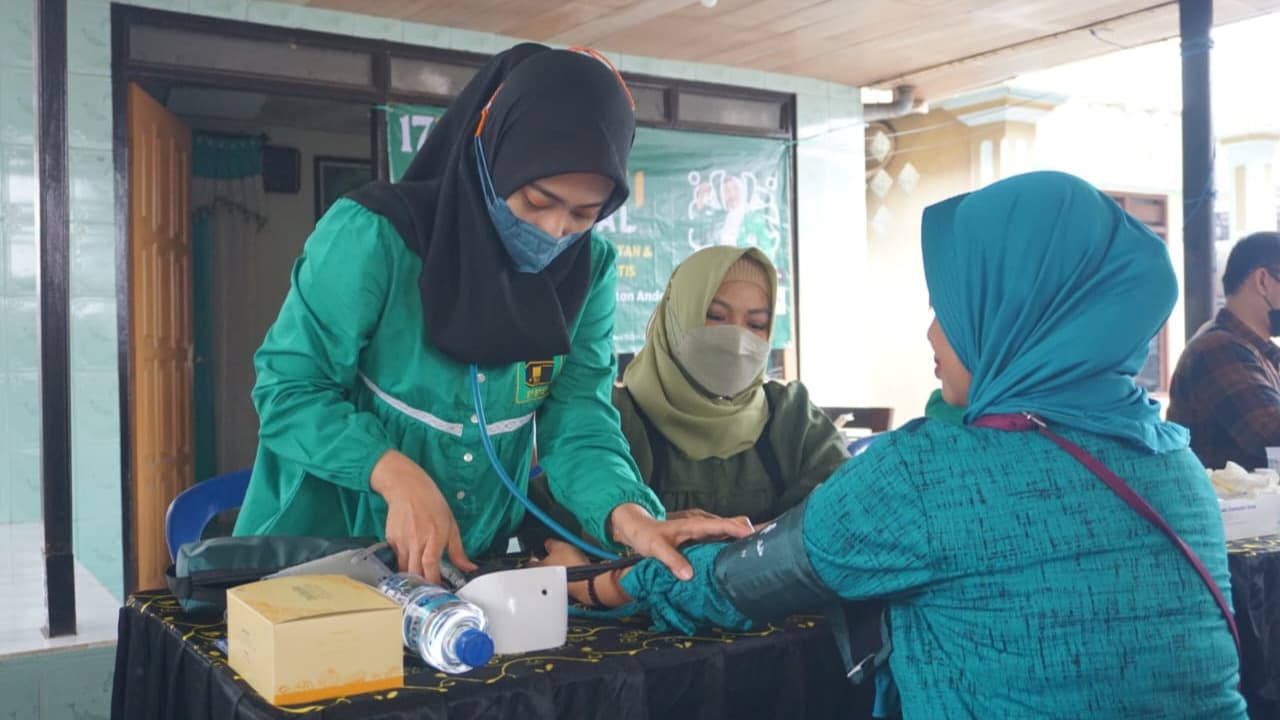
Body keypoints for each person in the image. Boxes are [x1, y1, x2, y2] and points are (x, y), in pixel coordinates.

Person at [543, 172, 1246, 718]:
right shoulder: (1174, 462)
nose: (932, 335)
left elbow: (729, 587)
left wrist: (594, 585)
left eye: (954, 308)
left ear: (1011, 317)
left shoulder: (930, 473)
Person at [233, 43, 751, 584]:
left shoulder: (589, 268)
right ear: (491, 154)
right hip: (316, 555)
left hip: (465, 566)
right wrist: (391, 472)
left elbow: (578, 421)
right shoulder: (375, 236)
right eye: (536, 200)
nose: (555, 231)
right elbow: (289, 389)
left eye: (583, 213)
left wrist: (630, 516)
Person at [525, 246, 848, 542]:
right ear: (675, 316)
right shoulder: (610, 423)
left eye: (756, 324)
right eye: (716, 316)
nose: (736, 339)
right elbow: (550, 532)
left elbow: (846, 510)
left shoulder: (793, 417)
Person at [1168, 231, 1280, 471]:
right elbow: (1271, 436)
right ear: (1262, 281)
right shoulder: (1219, 348)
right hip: (1235, 507)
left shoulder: (1260, 351)